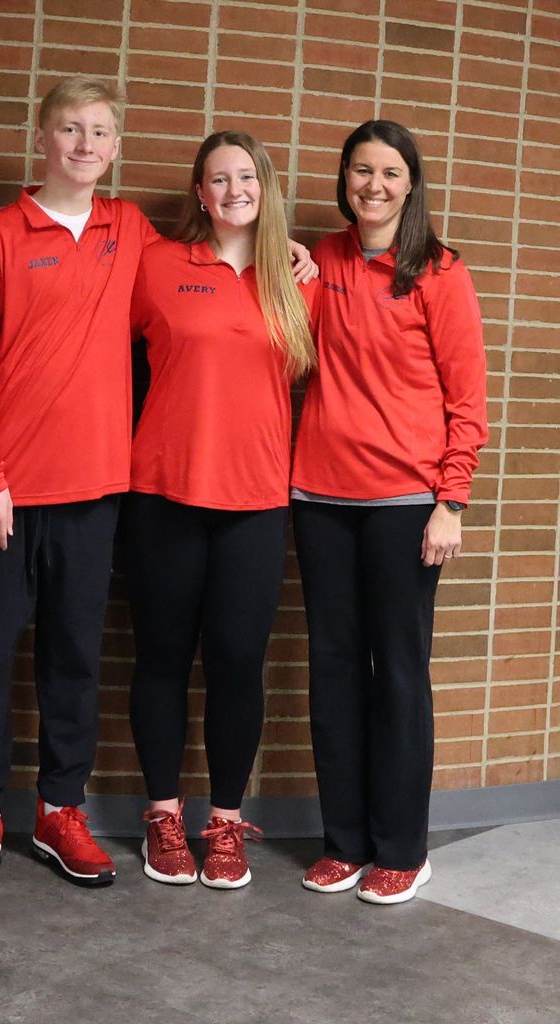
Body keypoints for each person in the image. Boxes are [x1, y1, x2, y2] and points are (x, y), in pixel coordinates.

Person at [0, 77, 318, 895]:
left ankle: (64, 811)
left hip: (105, 492)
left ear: (115, 147)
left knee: (78, 661)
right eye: (70, 129)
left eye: (99, 132)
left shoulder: (138, 236)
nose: (84, 144)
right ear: (42, 137)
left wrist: (295, 253)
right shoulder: (28, 240)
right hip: (23, 492)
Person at [292, 120, 487, 905]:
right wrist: (290, 274)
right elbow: (288, 351)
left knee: (398, 673)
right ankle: (344, 841)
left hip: (405, 503)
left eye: (388, 172)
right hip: (318, 497)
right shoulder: (324, 259)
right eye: (360, 170)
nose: (372, 185)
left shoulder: (439, 272)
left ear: (410, 184)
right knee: (333, 670)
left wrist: (450, 501)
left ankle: (402, 846)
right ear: (344, 179)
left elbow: (466, 401)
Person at [126, 131, 318, 889]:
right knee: (162, 660)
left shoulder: (296, 280)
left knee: (238, 663)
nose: (234, 189)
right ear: (199, 194)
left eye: (246, 177)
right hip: (163, 492)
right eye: (218, 178)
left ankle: (226, 823)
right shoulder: (157, 265)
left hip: (255, 500)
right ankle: (162, 818)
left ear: (265, 188)